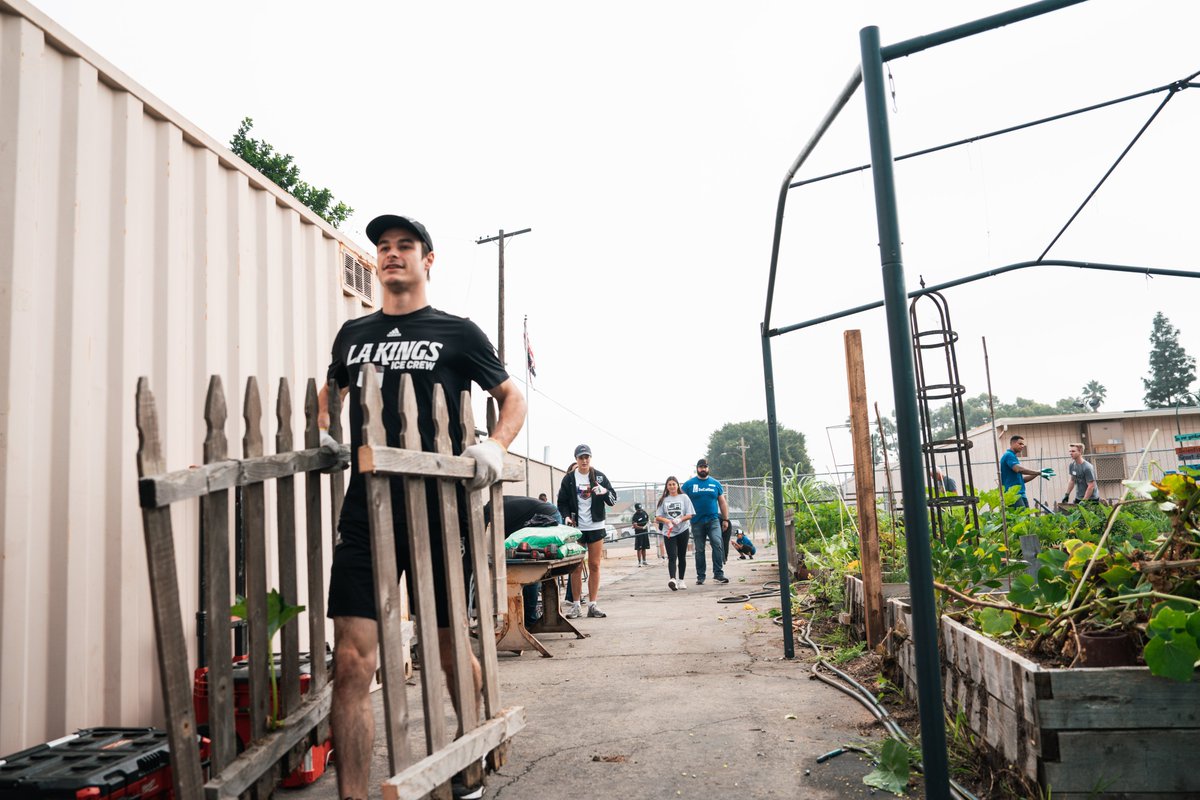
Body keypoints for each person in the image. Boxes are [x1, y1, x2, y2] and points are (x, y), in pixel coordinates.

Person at [318, 213, 526, 800]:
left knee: (444, 649)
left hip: (437, 513)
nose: (391, 254)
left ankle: (472, 749)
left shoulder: (458, 333)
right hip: (365, 514)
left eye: (404, 245)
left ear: (427, 260)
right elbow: (330, 389)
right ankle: (354, 794)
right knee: (354, 662)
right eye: (382, 247)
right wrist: (326, 432)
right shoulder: (353, 335)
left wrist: (494, 443)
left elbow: (511, 396)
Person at [557, 444, 617, 618]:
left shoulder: (599, 476)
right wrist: (567, 516)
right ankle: (576, 605)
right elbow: (562, 502)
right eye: (581, 457)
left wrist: (604, 492)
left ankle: (593, 604)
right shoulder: (569, 479)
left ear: (590, 458)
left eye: (587, 457)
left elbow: (612, 500)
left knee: (595, 565)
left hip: (596, 526)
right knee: (576, 566)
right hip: (577, 527)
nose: (584, 460)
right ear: (576, 459)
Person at [486, 496, 562, 625]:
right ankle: (532, 617)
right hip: (548, 514)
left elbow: (497, 540)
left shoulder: (495, 513)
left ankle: (529, 619)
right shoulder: (497, 504)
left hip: (545, 518)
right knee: (535, 566)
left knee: (530, 567)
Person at [681, 458, 730, 585]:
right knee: (700, 549)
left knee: (717, 543)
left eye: (705, 467)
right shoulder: (688, 485)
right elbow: (680, 500)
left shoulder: (715, 483)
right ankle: (701, 576)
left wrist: (725, 519)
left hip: (713, 520)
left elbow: (722, 502)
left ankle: (718, 574)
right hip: (697, 522)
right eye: (701, 467)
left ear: (708, 468)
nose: (703, 469)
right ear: (697, 468)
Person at [655, 476, 695, 590]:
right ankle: (672, 579)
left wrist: (680, 519)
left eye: (674, 484)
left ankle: (681, 580)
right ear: (666, 487)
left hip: (683, 530)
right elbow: (658, 516)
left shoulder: (684, 497)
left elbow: (690, 514)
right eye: (669, 484)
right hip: (669, 532)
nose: (672, 486)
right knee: (672, 556)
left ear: (677, 485)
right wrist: (667, 521)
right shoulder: (663, 500)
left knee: (682, 556)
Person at [999, 434, 1053, 508]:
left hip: (1021, 494)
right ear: (1012, 444)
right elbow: (1018, 469)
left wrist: (1038, 473)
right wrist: (1038, 472)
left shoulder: (1013, 457)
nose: (1022, 446)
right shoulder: (1009, 455)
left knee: (1026, 518)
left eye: (1023, 444)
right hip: (1013, 494)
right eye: (1020, 444)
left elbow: (1022, 480)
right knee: (1022, 517)